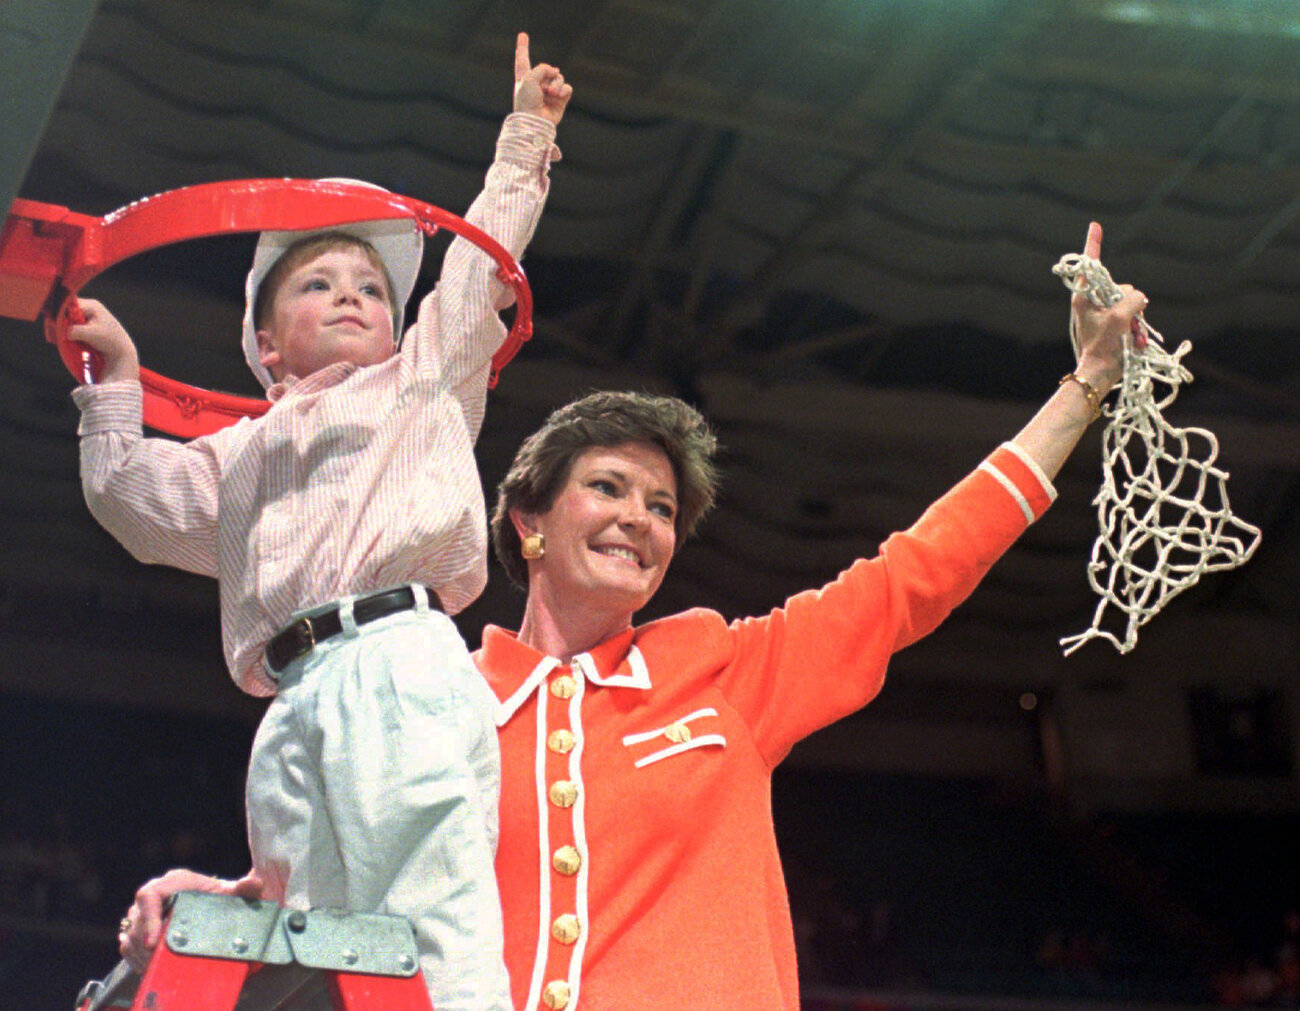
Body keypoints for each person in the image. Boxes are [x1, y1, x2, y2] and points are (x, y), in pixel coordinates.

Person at [117, 223, 1144, 1010]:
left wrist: (1085, 386)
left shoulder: (722, 674)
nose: (641, 522)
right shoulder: (437, 697)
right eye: (609, 489)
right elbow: (341, 893)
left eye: (662, 509)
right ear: (525, 522)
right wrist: (225, 904)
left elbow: (912, 577)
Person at [70, 34, 570, 1011]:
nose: (352, 293)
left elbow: (477, 274)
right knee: (323, 959)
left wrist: (526, 137)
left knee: (435, 922)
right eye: (318, 283)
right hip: (294, 700)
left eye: (373, 288)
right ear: (265, 342)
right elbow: (129, 499)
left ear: (397, 324)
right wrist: (115, 382)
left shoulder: (420, 382)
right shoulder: (240, 455)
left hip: (401, 667)